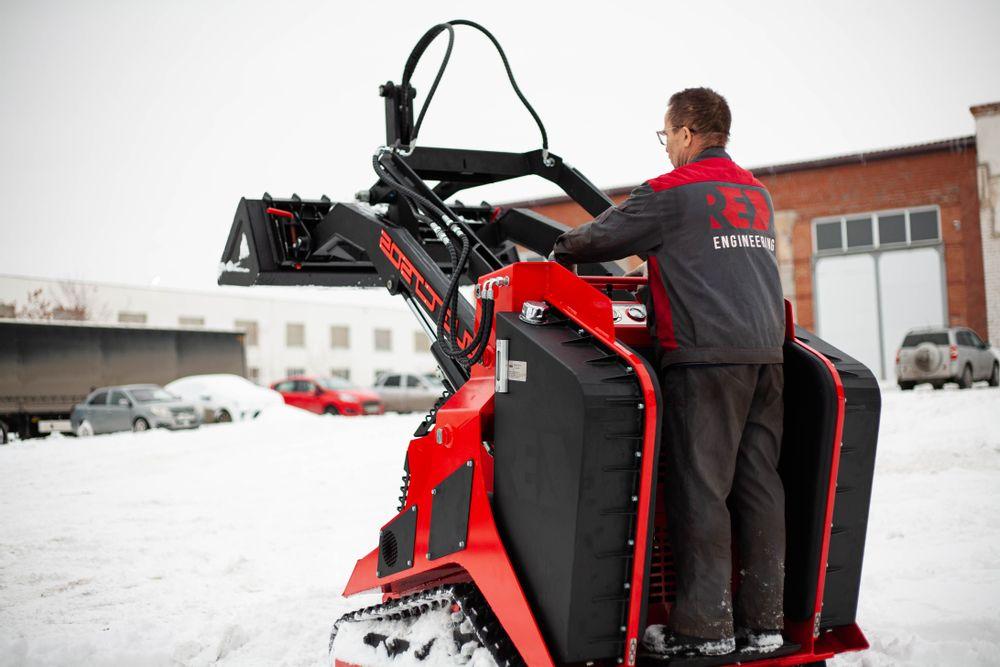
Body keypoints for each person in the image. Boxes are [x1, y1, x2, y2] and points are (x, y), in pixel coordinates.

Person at [551, 88, 786, 657]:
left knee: (702, 492)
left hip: (704, 357)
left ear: (684, 133)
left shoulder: (669, 193)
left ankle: (704, 630)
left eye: (666, 136)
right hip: (767, 353)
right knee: (758, 488)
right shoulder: (756, 194)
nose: (667, 148)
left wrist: (557, 250)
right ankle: (765, 624)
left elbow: (596, 238)